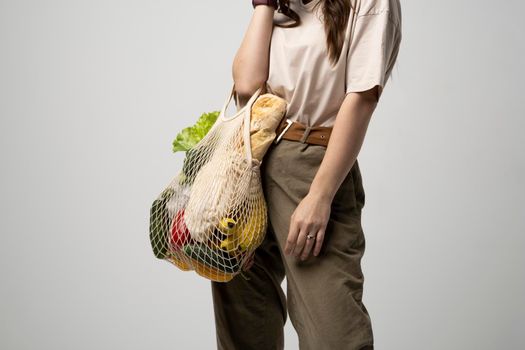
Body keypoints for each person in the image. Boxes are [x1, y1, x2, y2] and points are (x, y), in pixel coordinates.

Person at [211, 0, 402, 349]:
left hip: (313, 166)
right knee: (244, 322)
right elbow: (246, 86)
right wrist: (264, 5)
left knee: (332, 332)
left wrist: (321, 195)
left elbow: (362, 98)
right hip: (250, 159)